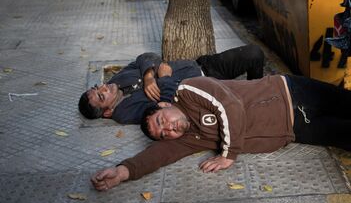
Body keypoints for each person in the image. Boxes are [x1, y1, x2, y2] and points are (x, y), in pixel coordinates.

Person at [91, 75, 351, 191]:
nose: (169, 129)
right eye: (164, 133)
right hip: (295, 129)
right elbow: (158, 155)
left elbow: (229, 106)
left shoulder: (188, 90)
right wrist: (123, 172)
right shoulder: (187, 139)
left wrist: (228, 155)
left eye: (163, 120)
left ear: (165, 105)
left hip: (292, 93)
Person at [78, 45, 265, 124]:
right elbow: (166, 105)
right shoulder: (127, 112)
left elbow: (144, 58)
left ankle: (255, 90)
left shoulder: (114, 82)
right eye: (102, 96)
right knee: (245, 96)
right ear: (108, 111)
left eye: (97, 87)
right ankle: (258, 103)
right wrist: (165, 78)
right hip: (207, 86)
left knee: (254, 53)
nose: (104, 88)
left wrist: (149, 75)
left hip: (202, 65)